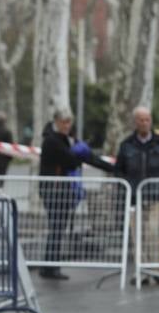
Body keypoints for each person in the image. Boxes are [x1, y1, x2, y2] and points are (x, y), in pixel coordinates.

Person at [37, 108, 113, 279]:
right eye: (64, 122)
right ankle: (50, 266)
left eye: (69, 122)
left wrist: (114, 168)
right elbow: (70, 160)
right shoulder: (51, 141)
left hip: (64, 190)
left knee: (58, 228)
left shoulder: (67, 140)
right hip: (54, 190)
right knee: (56, 227)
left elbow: (89, 158)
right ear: (56, 122)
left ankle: (50, 265)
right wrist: (80, 154)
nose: (67, 126)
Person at [115, 106, 159, 285]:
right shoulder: (126, 144)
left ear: (151, 121)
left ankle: (156, 270)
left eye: (147, 119)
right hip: (134, 198)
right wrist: (127, 185)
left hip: (155, 197)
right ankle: (141, 271)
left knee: (152, 233)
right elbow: (118, 170)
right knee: (137, 236)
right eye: (141, 120)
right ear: (135, 122)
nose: (144, 123)